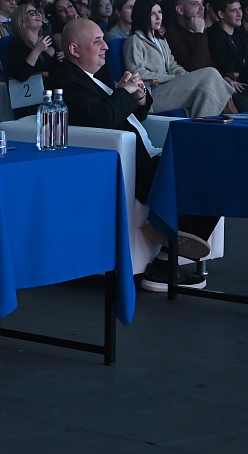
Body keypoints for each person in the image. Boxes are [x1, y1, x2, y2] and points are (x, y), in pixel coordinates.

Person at [47, 19, 216, 292]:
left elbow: (123, 115)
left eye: (104, 39)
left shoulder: (93, 75)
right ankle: (163, 265)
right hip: (129, 165)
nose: (105, 47)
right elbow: (101, 119)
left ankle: (166, 251)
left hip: (144, 153)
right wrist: (123, 93)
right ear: (75, 50)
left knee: (214, 163)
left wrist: (138, 97)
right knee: (213, 172)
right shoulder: (65, 80)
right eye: (97, 41)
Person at [122, 0, 236, 118]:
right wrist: (172, 77)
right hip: (151, 93)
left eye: (159, 12)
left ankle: (202, 125)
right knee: (210, 74)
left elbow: (172, 64)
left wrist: (185, 75)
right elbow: (137, 73)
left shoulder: (161, 40)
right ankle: (215, 120)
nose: (158, 17)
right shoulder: (134, 40)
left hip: (168, 87)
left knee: (208, 86)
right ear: (143, 16)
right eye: (152, 14)